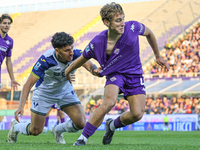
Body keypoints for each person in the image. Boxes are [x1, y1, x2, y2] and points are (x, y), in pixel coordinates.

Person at [64, 2, 170, 146]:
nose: (123, 24)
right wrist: (67, 71)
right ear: (106, 22)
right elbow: (81, 59)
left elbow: (149, 33)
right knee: (109, 102)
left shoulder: (133, 27)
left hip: (135, 75)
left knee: (137, 114)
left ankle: (112, 126)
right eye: (118, 20)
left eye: (123, 19)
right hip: (115, 75)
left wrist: (157, 56)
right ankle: (83, 138)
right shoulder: (97, 43)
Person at [7, 32, 98, 144]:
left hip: (65, 91)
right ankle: (16, 127)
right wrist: (21, 106)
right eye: (66, 50)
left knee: (81, 123)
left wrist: (95, 71)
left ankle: (57, 130)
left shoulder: (75, 54)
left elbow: (89, 65)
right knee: (35, 130)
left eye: (72, 48)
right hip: (44, 94)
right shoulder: (46, 59)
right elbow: (28, 84)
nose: (71, 53)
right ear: (57, 50)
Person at [0, 14, 20, 90]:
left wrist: (12, 79)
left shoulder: (10, 41)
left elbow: (8, 61)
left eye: (8, 23)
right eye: (4, 23)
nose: (7, 25)